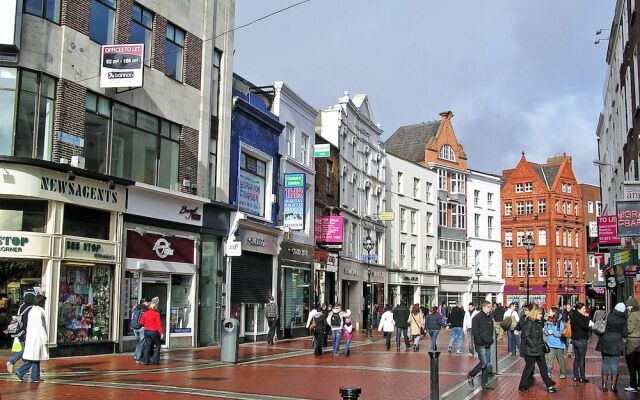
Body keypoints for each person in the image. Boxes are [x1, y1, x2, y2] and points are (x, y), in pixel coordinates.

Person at [518, 307, 559, 393]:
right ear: (535, 314)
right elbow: (526, 336)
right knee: (528, 369)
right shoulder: (529, 322)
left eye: (541, 314)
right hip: (531, 351)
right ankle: (522, 386)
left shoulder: (538, 323)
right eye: (540, 314)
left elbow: (549, 321)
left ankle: (549, 386)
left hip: (539, 350)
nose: (541, 315)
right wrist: (533, 346)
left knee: (543, 368)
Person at [14, 295, 48, 383]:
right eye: (44, 302)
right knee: (34, 358)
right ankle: (23, 373)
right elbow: (41, 327)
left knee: (35, 358)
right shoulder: (38, 312)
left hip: (33, 337)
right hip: (37, 338)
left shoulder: (33, 310)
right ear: (41, 302)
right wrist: (45, 339)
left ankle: (34, 376)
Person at [596, 302, 628, 392]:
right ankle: (613, 386)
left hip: (605, 341)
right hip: (616, 343)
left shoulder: (608, 314)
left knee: (605, 363)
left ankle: (604, 385)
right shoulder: (623, 319)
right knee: (614, 364)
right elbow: (625, 334)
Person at [466, 301, 494, 390]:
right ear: (484, 307)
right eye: (489, 306)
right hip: (480, 344)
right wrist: (479, 341)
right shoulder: (477, 318)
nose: (491, 308)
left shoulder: (489, 317)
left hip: (488, 343)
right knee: (484, 362)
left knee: (486, 364)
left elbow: (491, 329)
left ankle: (485, 383)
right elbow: (475, 332)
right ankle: (471, 374)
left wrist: (490, 339)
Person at [6, 292, 35, 374]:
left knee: (25, 350)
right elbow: (27, 323)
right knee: (26, 350)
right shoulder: (30, 309)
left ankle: (25, 365)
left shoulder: (21, 307)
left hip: (18, 332)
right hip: (25, 332)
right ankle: (12, 362)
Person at [570, 302, 592, 383]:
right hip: (581, 339)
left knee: (577, 358)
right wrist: (587, 318)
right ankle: (582, 377)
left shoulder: (573, 315)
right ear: (579, 309)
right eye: (583, 308)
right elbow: (586, 327)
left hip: (575, 339)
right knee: (582, 359)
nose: (585, 310)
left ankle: (576, 376)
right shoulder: (580, 317)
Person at [139, 296, 163, 365]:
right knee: (158, 345)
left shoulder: (145, 313)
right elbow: (158, 324)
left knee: (147, 345)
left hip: (146, 331)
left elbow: (141, 322)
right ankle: (155, 360)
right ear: (155, 307)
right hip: (154, 331)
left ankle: (146, 361)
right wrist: (161, 333)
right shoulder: (156, 314)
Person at [544, 307, 567, 379]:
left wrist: (553, 332)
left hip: (559, 344)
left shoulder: (560, 322)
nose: (548, 312)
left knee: (561, 360)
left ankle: (563, 373)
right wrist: (547, 332)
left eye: (550, 311)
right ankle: (548, 373)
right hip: (550, 344)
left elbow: (561, 333)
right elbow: (545, 330)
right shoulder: (548, 321)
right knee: (549, 360)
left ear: (554, 312)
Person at [625, 296, 640, 392]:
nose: (627, 308)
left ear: (631, 306)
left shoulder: (632, 315)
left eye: (628, 306)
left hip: (633, 341)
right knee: (639, 364)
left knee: (631, 364)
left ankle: (633, 385)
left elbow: (629, 329)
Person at [131, 298, 149, 363]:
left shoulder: (136, 308)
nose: (148, 303)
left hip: (135, 327)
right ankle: (138, 359)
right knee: (142, 343)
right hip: (142, 327)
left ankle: (136, 355)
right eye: (147, 302)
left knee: (138, 342)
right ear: (145, 302)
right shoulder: (145, 309)